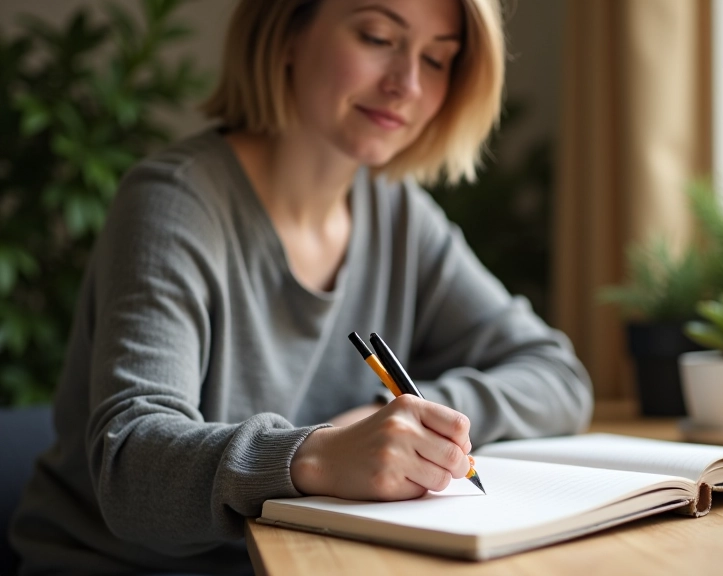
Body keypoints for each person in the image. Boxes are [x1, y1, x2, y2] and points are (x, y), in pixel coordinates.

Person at [9, 0, 593, 573]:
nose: (407, 83)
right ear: (286, 31)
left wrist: (392, 421)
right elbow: (133, 471)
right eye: (377, 37)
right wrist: (315, 455)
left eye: (437, 60)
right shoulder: (173, 205)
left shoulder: (400, 217)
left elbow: (556, 373)